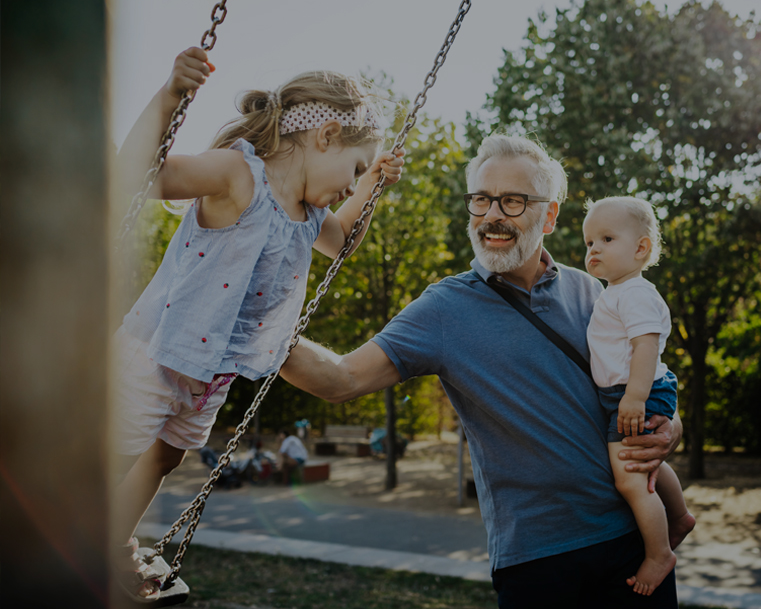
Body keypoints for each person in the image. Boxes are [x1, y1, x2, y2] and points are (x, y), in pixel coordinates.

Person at [281, 134, 683, 608]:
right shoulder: (443, 309)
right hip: (536, 558)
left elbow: (650, 377)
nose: (492, 214)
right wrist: (260, 330)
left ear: (549, 216)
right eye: (481, 200)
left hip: (629, 540)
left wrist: (672, 426)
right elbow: (342, 379)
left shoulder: (592, 290)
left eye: (513, 201)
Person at [111, 47, 404, 600]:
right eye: (355, 167)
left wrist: (371, 188)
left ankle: (112, 541)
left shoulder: (310, 217)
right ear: (326, 134)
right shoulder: (238, 174)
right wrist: (171, 94)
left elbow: (342, 241)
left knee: (166, 456)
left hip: (213, 370)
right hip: (155, 352)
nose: (351, 183)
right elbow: (145, 174)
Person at [582, 197, 697, 596]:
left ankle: (659, 553)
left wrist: (634, 397)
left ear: (641, 248)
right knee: (644, 464)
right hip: (629, 393)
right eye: (589, 242)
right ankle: (679, 516)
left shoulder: (635, 293)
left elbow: (646, 346)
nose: (593, 249)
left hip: (636, 393)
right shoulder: (614, 292)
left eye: (606, 238)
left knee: (629, 479)